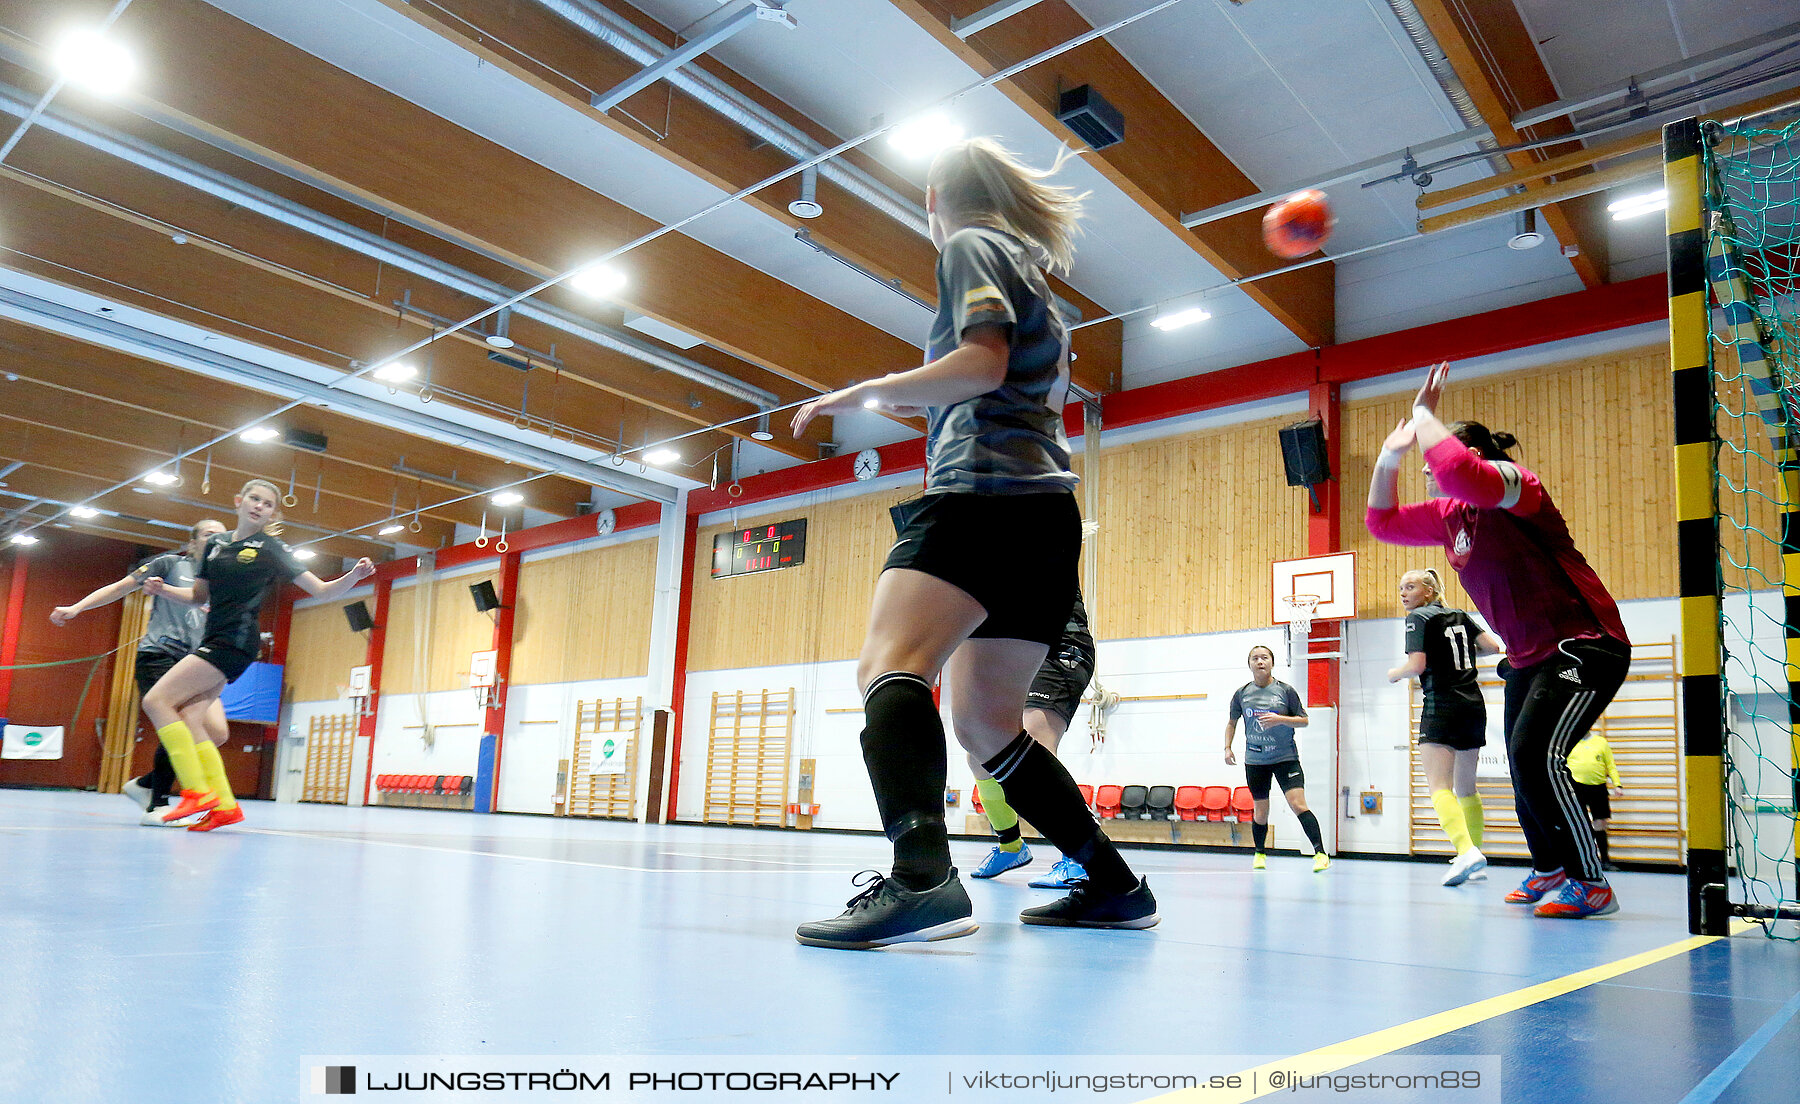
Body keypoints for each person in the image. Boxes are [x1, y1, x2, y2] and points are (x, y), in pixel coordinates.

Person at [788, 137, 1155, 949]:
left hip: (981, 498)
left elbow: (982, 364)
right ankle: (1112, 881)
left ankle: (922, 879)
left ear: (933, 198)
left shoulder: (969, 244)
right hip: (1046, 521)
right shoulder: (1035, 278)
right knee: (990, 726)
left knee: (889, 666)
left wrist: (864, 390)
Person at [1366, 361, 1632, 918]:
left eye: (1429, 458)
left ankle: (1591, 882)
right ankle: (1549, 867)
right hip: (1527, 658)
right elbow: (1381, 523)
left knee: (1539, 754)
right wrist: (1390, 455)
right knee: (1520, 760)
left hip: (1584, 644)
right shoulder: (1447, 517)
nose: (1427, 470)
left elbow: (1466, 476)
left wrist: (1423, 414)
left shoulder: (1517, 487)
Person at [140, 478, 375, 831]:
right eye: (254, 499)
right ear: (238, 500)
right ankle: (225, 806)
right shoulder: (215, 545)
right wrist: (164, 589)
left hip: (234, 641)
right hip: (215, 635)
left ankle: (196, 792)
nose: (258, 506)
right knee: (190, 714)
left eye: (266, 504)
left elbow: (322, 590)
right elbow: (199, 597)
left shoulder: (271, 548)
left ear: (271, 514)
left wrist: (354, 576)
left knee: (157, 701)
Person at [50, 519, 228, 825]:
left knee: (217, 733)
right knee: (183, 725)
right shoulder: (171, 564)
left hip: (197, 662)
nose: (217, 540)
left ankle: (145, 784)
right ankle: (158, 804)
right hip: (160, 654)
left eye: (223, 536)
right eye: (210, 535)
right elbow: (121, 587)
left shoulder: (222, 580)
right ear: (193, 542)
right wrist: (78, 607)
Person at [967, 591, 1095, 889]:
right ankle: (1010, 845)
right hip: (1014, 654)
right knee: (979, 751)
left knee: (1038, 745)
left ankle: (1079, 859)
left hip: (1058, 646)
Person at [1386, 567, 1503, 886]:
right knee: (1467, 787)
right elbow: (1492, 646)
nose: (1403, 594)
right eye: (1401, 588)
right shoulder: (1460, 614)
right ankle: (1475, 852)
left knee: (1439, 785)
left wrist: (1394, 673)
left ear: (1428, 591)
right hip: (1473, 703)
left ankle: (1466, 851)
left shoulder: (1417, 619)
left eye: (1409, 587)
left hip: (1442, 703)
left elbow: (1417, 665)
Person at [1223, 645, 1329, 871]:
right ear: (1249, 664)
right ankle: (1259, 853)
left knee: (1297, 803)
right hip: (1255, 760)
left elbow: (1304, 720)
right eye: (1255, 658)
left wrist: (1280, 719)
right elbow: (1232, 722)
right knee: (1261, 809)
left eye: (1264, 658)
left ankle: (1320, 853)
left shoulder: (1285, 691)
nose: (1260, 661)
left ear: (1272, 662)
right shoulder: (1242, 694)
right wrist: (1227, 747)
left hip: (1285, 758)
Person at [1566, 731, 1624, 871]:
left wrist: (1617, 784)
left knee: (1600, 824)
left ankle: (1605, 860)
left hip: (1598, 787)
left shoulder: (1601, 742)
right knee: (1579, 825)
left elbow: (1610, 765)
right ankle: (1583, 861)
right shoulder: (1569, 742)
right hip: (1576, 787)